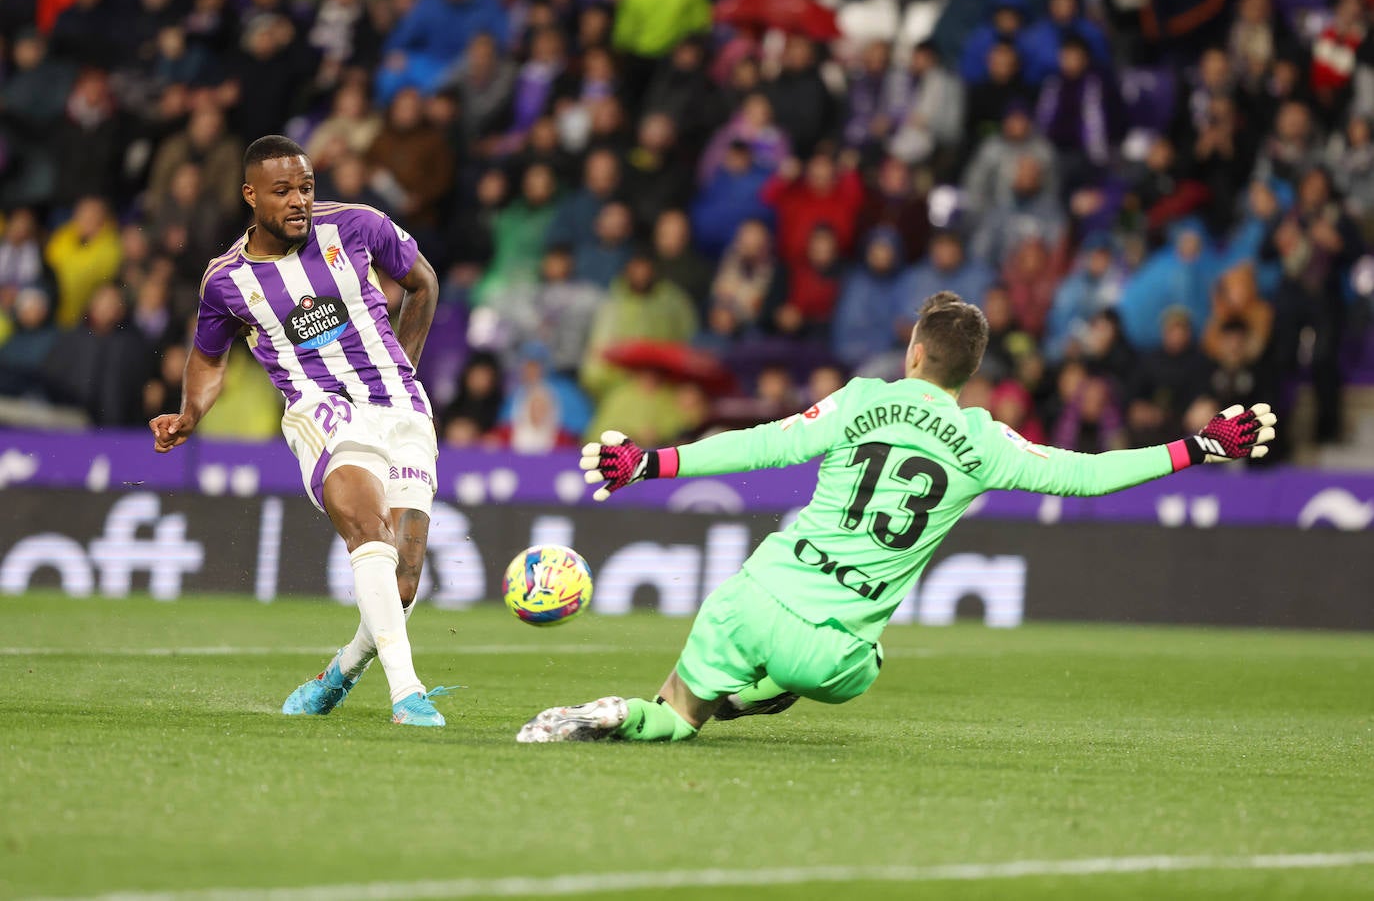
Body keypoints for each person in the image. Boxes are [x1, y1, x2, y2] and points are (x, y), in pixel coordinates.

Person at [516, 291, 1277, 743]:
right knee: (866, 666)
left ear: (914, 351)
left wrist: (652, 463)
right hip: (834, 650)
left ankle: (623, 713)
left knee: (678, 716)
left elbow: (760, 446)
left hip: (750, 596)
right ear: (970, 372)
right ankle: (767, 689)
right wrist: (1199, 445)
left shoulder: (857, 399)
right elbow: (1090, 475)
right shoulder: (985, 443)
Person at [148, 136, 449, 728]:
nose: (298, 201)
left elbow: (424, 284)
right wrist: (189, 414)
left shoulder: (359, 225)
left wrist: (402, 370)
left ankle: (339, 671)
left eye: (305, 188)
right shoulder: (227, 281)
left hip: (401, 407)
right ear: (250, 195)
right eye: (282, 190)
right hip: (322, 412)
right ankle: (407, 695)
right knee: (368, 527)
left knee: (404, 583)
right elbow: (209, 358)